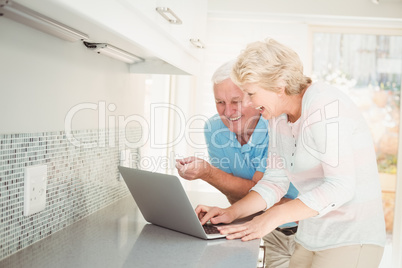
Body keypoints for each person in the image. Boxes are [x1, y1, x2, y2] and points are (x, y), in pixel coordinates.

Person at [196, 39, 386, 268]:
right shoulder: (278, 118)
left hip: (352, 237)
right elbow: (275, 181)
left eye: (251, 93)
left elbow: (341, 186)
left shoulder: (324, 107)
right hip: (312, 236)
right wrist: (231, 212)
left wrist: (271, 217)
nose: (249, 103)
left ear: (279, 85)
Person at [175, 60, 299, 268]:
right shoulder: (214, 129)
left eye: (236, 101)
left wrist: (208, 173)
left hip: (306, 229)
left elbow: (261, 193)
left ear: (253, 97)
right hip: (263, 229)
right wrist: (229, 210)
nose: (228, 111)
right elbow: (235, 196)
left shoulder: (276, 126)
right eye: (220, 102)